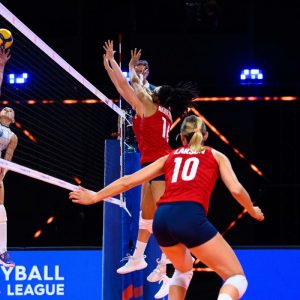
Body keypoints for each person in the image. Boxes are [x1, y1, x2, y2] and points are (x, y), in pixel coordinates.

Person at [70, 114, 264, 300]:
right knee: (236, 277)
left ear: (180, 137)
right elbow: (237, 190)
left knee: (183, 269)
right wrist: (252, 210)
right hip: (189, 216)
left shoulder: (170, 157)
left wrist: (95, 196)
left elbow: (128, 181)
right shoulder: (215, 155)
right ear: (205, 136)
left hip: (161, 220)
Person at [102, 40, 197, 298]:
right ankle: (140, 257)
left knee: (165, 221)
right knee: (147, 215)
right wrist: (114, 66)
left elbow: (128, 85)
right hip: (153, 164)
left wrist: (118, 65)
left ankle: (170, 270)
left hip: (162, 166)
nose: (146, 90)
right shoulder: (157, 107)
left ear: (155, 96)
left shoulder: (149, 107)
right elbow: (129, 86)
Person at [0, 48, 18, 268]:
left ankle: (2, 251)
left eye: (11, 111)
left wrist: (3, 172)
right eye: (5, 108)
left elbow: (8, 159)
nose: (8, 109)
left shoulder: (12, 137)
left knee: (1, 208)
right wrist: (2, 65)